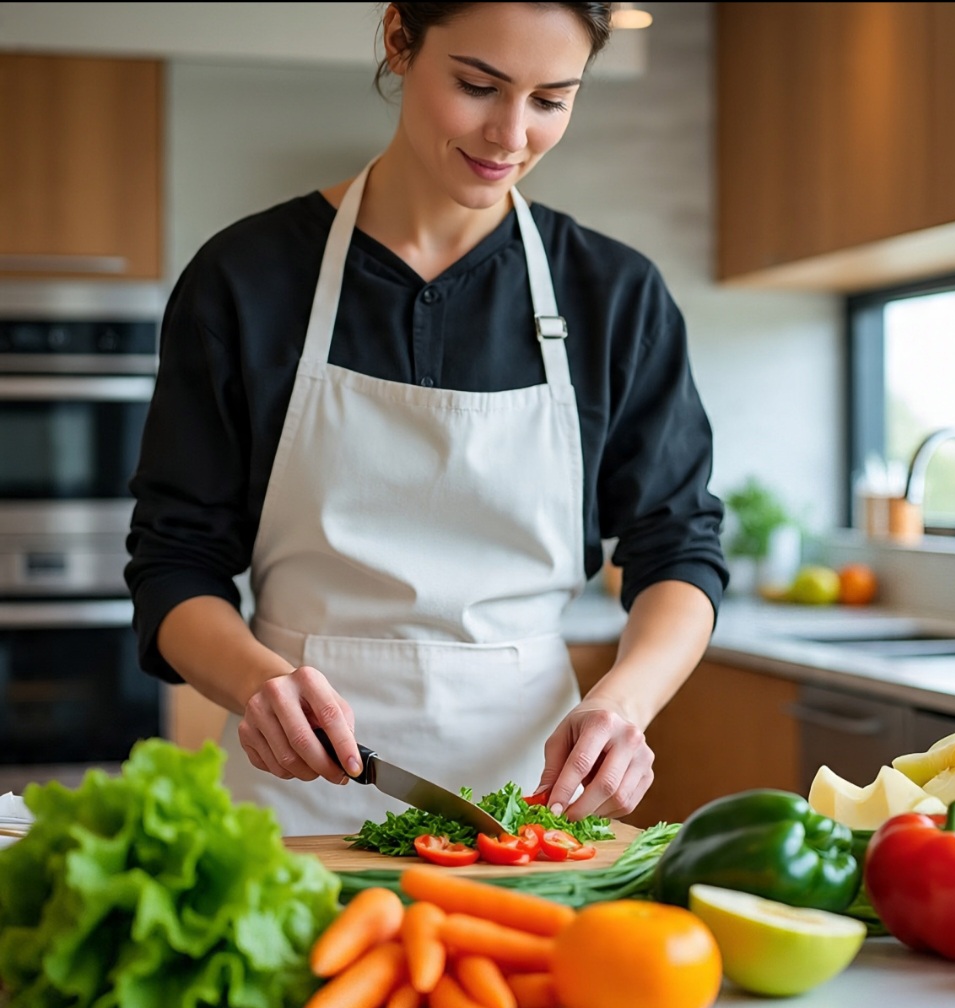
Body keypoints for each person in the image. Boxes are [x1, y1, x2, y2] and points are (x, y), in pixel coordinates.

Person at [125, 1, 727, 837]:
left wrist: (624, 704)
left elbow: (680, 550)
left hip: (527, 806)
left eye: (552, 100)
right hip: (295, 806)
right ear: (399, 40)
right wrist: (256, 684)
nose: (510, 135)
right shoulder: (247, 278)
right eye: (478, 85)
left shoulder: (615, 297)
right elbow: (173, 562)